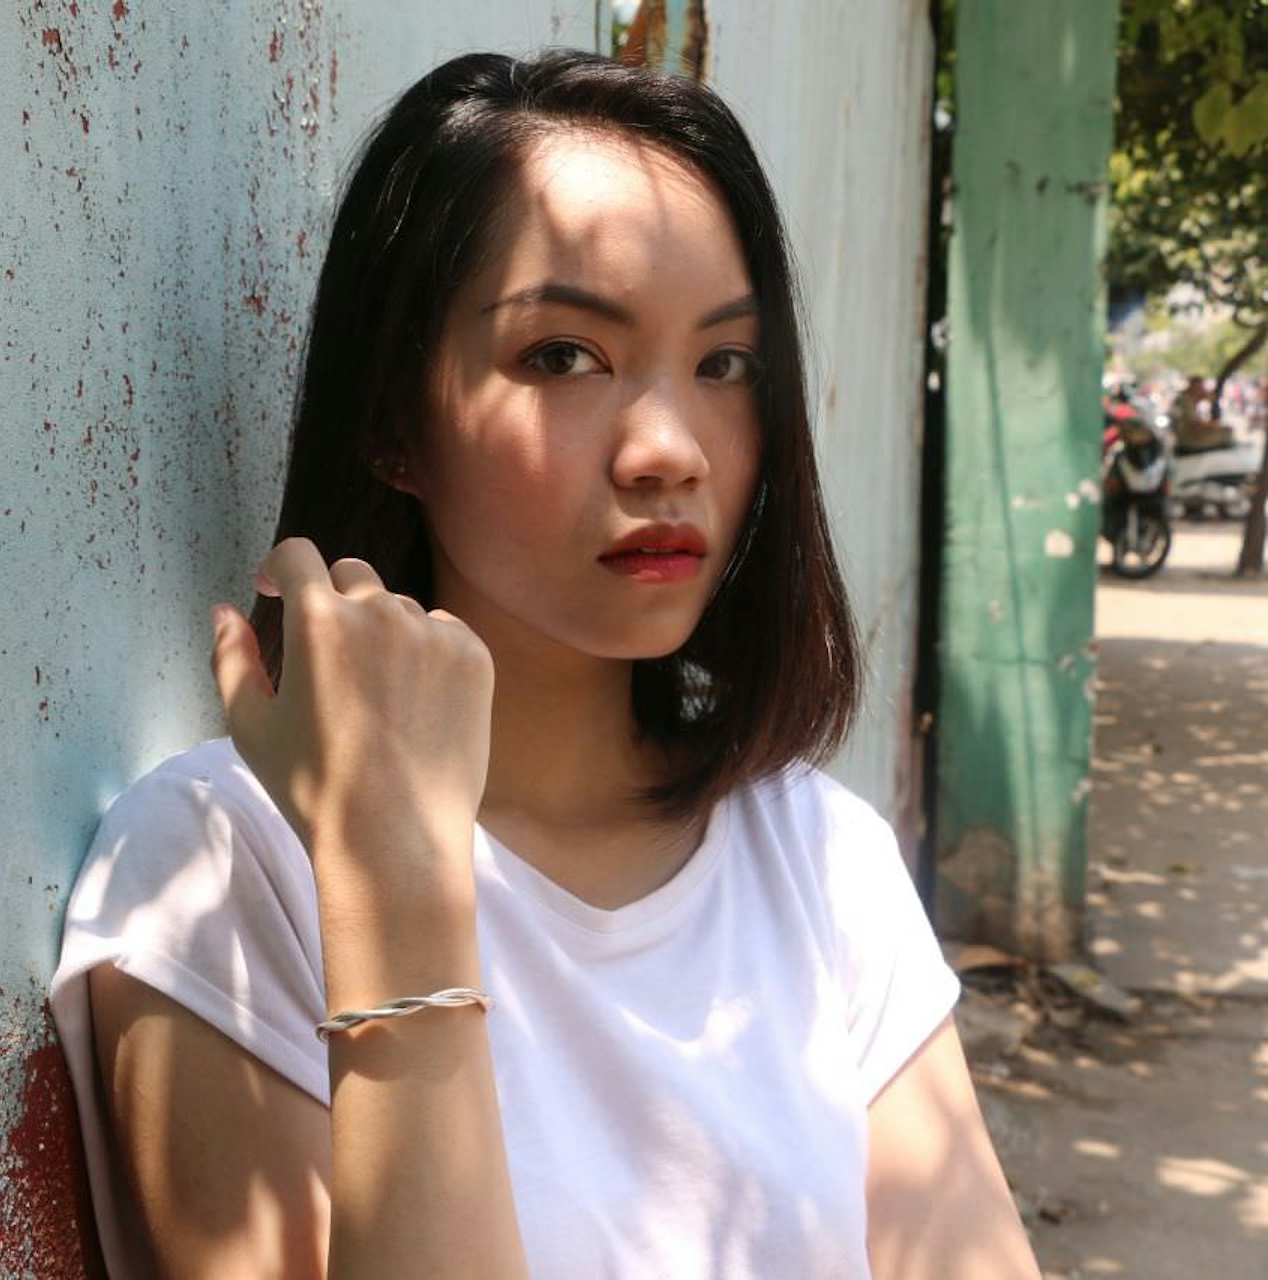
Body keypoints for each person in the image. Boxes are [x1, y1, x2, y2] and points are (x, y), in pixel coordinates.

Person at [51, 49, 1039, 1278]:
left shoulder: (821, 860)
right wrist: (395, 886)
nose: (670, 448)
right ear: (394, 420)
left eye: (725, 364)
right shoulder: (220, 866)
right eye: (565, 355)